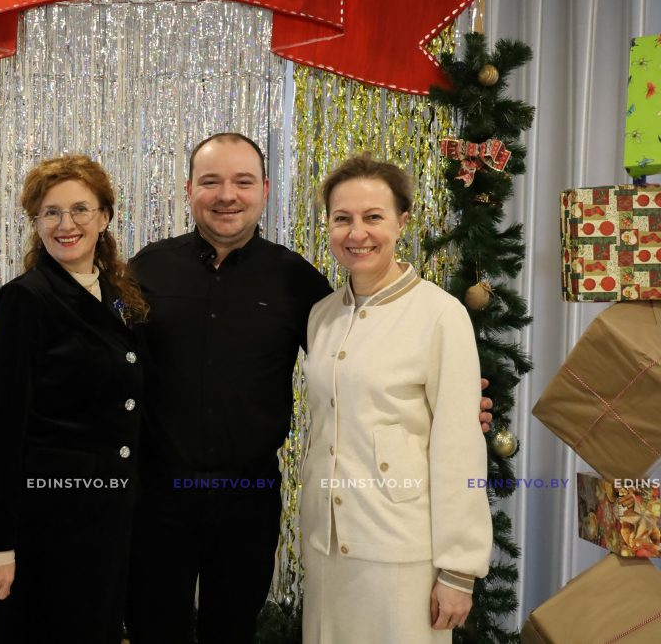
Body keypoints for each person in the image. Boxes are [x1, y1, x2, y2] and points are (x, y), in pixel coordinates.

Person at [125, 133, 494, 644]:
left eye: (243, 182)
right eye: (211, 181)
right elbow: (110, 361)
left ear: (265, 190)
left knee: (231, 630)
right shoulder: (147, 269)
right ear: (189, 189)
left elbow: (365, 361)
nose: (226, 195)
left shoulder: (297, 282)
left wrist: (459, 405)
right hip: (158, 494)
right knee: (152, 628)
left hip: (249, 497)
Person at [300, 154, 493, 642]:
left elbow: (459, 446)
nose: (357, 233)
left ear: (402, 221)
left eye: (373, 217)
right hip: (327, 547)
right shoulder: (322, 316)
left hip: (401, 552)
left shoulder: (440, 315)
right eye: (342, 218)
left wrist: (459, 569)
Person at [0, 154, 149, 644]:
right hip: (47, 525)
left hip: (109, 520)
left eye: (80, 210)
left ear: (104, 217)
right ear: (36, 222)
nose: (66, 224)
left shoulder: (119, 294)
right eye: (50, 212)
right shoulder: (25, 299)